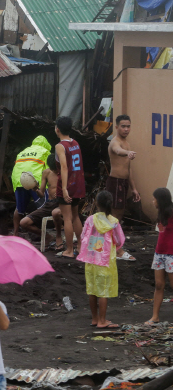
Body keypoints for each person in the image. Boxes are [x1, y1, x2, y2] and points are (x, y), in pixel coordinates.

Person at [77, 190, 125, 328]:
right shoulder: (114, 222)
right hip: (105, 260)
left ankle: (95, 318)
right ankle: (102, 321)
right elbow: (119, 240)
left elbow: (83, 237)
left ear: (96, 203)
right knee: (103, 291)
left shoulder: (90, 219)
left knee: (92, 290)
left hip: (91, 259)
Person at [107, 115, 138, 261]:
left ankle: (111, 247)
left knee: (117, 218)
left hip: (123, 183)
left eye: (128, 126)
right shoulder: (115, 142)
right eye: (123, 126)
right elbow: (118, 150)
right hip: (115, 182)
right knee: (114, 218)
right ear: (117, 127)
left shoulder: (127, 142)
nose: (126, 129)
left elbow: (128, 168)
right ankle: (117, 250)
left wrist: (134, 188)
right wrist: (127, 153)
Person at [54, 116, 86, 258]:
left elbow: (64, 167)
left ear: (57, 129)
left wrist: (65, 188)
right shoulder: (75, 143)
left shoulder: (60, 146)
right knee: (75, 216)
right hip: (78, 183)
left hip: (67, 183)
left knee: (67, 218)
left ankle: (69, 250)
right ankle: (79, 245)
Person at [11, 135, 51, 237]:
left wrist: (16, 184)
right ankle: (43, 235)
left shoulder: (22, 152)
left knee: (19, 209)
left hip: (19, 180)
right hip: (35, 181)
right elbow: (49, 171)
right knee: (43, 209)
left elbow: (15, 169)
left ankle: (15, 233)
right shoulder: (45, 152)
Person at [20, 154, 63, 247]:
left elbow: (72, 190)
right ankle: (48, 236)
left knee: (56, 213)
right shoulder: (46, 172)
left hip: (62, 204)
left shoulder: (65, 172)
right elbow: (41, 194)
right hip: (49, 204)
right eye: (52, 168)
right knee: (24, 223)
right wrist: (35, 189)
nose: (54, 171)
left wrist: (62, 193)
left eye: (56, 168)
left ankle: (59, 236)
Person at [147, 188, 173, 326]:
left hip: (171, 254)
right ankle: (155, 317)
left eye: (154, 199)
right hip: (159, 253)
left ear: (160, 200)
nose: (153, 201)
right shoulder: (161, 214)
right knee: (158, 285)